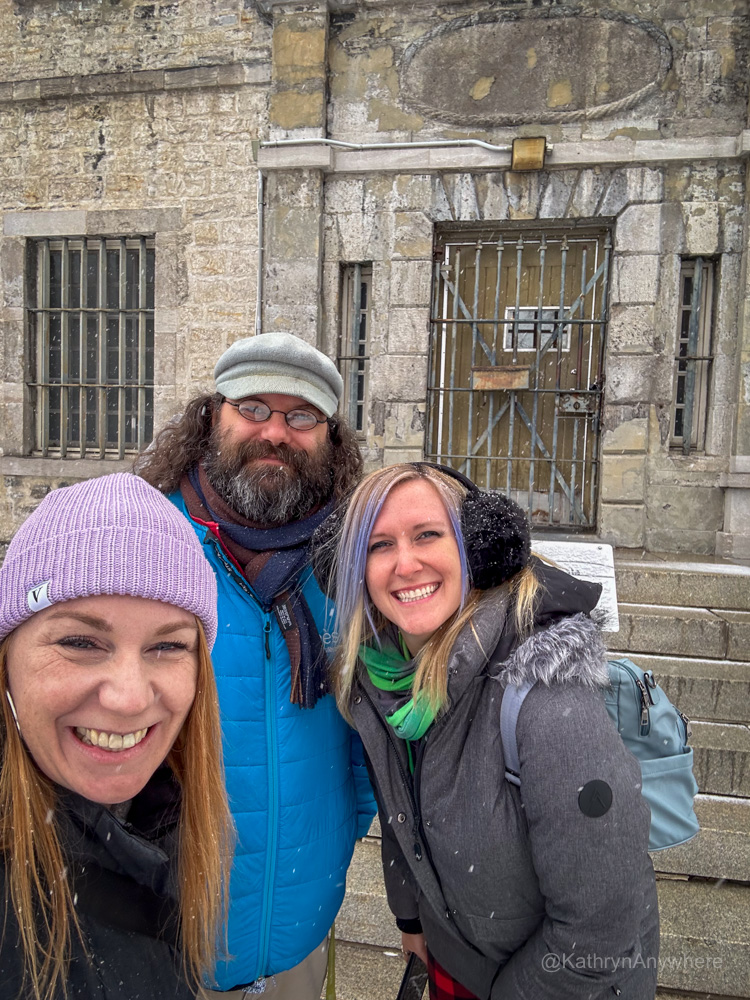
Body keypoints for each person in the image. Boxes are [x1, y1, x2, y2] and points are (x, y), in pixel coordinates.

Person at [315, 462, 659, 1000]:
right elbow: (400, 813)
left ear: (479, 547)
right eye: (379, 545)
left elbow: (602, 928)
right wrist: (410, 920)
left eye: (427, 535)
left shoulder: (545, 696)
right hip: (455, 966)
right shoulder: (380, 679)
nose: (405, 564)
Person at [136, 331, 376, 998]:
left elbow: (367, 731)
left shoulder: (356, 561)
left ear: (329, 437)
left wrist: (330, 831)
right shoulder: (146, 541)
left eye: (302, 416)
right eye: (253, 408)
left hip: (301, 924)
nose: (276, 432)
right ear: (213, 416)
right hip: (167, 934)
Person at [0, 472, 232, 1000]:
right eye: (81, 641)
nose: (128, 698)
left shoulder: (168, 815)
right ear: (8, 658)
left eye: (167, 647)